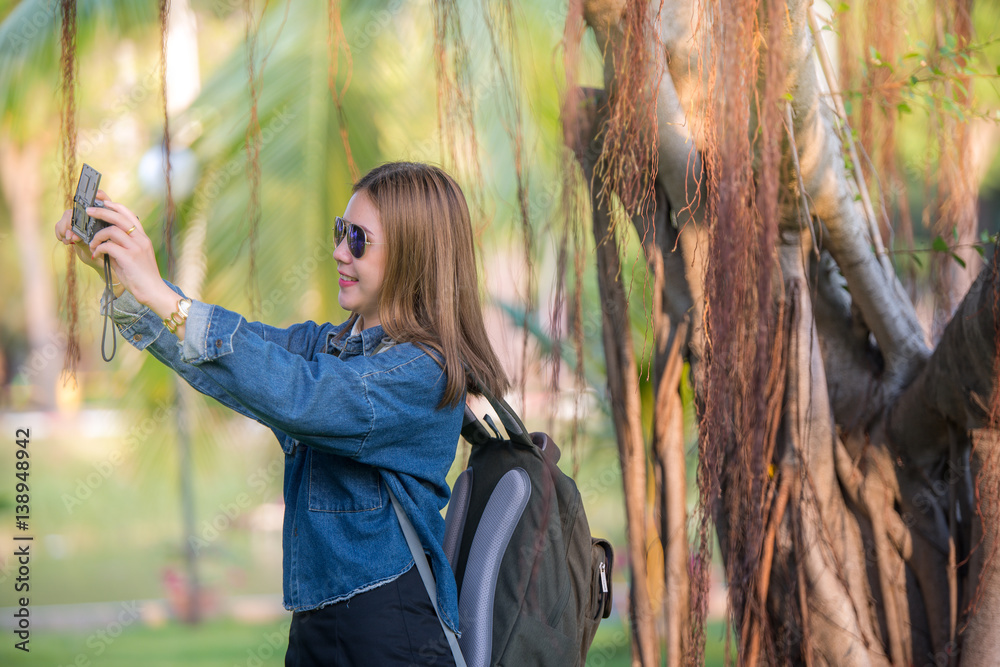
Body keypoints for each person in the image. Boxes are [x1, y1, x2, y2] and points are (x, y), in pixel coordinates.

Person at [54, 161, 510, 666]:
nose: (339, 251)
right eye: (341, 232)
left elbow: (300, 395)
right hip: (319, 625)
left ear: (412, 254)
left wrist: (159, 294)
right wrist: (125, 280)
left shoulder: (421, 372)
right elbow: (232, 358)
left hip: (391, 632)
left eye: (358, 239)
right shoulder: (332, 345)